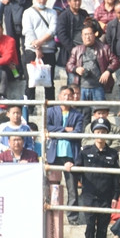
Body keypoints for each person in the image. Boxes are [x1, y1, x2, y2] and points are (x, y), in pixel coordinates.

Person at [68, 117, 119, 238]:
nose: (100, 134)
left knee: (102, 227)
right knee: (90, 227)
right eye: (98, 131)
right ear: (93, 133)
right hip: (89, 195)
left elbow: (116, 177)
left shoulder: (113, 154)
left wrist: (116, 195)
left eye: (103, 131)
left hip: (106, 196)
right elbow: (76, 169)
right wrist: (70, 165)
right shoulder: (85, 151)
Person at [46, 86, 85, 224]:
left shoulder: (78, 114)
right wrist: (64, 130)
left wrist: (59, 134)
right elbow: (47, 128)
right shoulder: (50, 111)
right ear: (59, 96)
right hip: (54, 155)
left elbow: (78, 132)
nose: (67, 97)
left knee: (72, 188)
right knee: (52, 186)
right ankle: (51, 215)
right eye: (64, 95)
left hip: (70, 155)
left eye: (70, 95)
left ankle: (72, 217)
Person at [21, 0, 58, 99]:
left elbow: (52, 30)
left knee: (49, 83)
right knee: (30, 82)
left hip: (49, 51)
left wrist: (40, 43)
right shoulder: (28, 12)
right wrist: (37, 48)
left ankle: (51, 111)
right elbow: (28, 31)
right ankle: (29, 110)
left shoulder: (52, 13)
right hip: (31, 51)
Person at [66, 24, 119, 103]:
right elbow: (68, 65)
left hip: (98, 87)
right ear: (82, 36)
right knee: (82, 113)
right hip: (81, 88)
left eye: (90, 34)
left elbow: (116, 61)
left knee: (99, 110)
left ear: (95, 35)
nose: (87, 37)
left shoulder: (104, 48)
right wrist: (76, 69)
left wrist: (108, 71)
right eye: (85, 35)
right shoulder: (76, 50)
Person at [55, 0, 91, 84]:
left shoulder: (84, 13)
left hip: (85, 52)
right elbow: (61, 34)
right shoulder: (63, 16)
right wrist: (74, 50)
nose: (78, 3)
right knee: (73, 81)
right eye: (75, 0)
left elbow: (90, 28)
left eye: (79, 0)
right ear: (69, 2)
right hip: (70, 53)